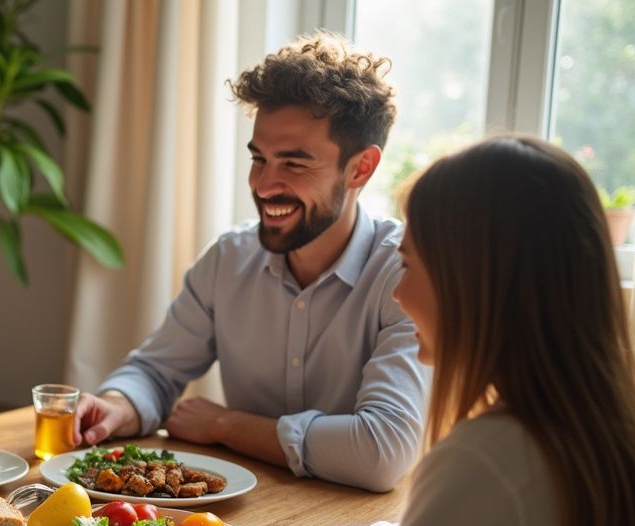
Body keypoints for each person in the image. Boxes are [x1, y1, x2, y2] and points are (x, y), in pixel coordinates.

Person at [149, 136, 635, 526]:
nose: (401, 296)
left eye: (410, 267)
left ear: (474, 279)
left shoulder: (498, 462)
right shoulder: (597, 434)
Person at [74, 33, 427, 492]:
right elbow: (156, 371)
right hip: (253, 516)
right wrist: (119, 404)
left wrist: (226, 425)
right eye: (259, 159)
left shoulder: (407, 276)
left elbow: (382, 452)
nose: (263, 185)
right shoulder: (229, 258)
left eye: (294, 165)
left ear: (360, 168)